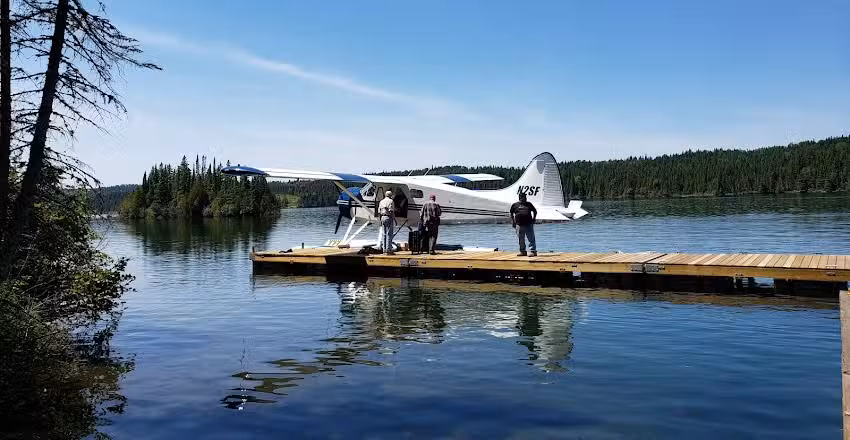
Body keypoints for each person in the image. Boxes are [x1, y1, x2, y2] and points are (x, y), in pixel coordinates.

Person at [510, 192, 537, 256]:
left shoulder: (529, 204)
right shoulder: (515, 205)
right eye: (523, 197)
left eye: (525, 197)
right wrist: (513, 221)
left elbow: (535, 211)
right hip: (519, 225)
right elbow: (511, 213)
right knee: (521, 239)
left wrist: (534, 219)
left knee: (531, 238)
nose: (525, 199)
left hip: (528, 224)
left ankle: (533, 251)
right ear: (520, 198)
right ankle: (523, 251)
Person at [377, 190, 396, 255]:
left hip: (382, 217)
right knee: (389, 234)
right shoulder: (391, 201)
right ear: (390, 195)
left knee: (384, 233)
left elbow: (379, 212)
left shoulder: (381, 201)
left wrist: (380, 221)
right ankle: (388, 250)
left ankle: (384, 249)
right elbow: (391, 211)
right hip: (388, 217)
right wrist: (394, 219)